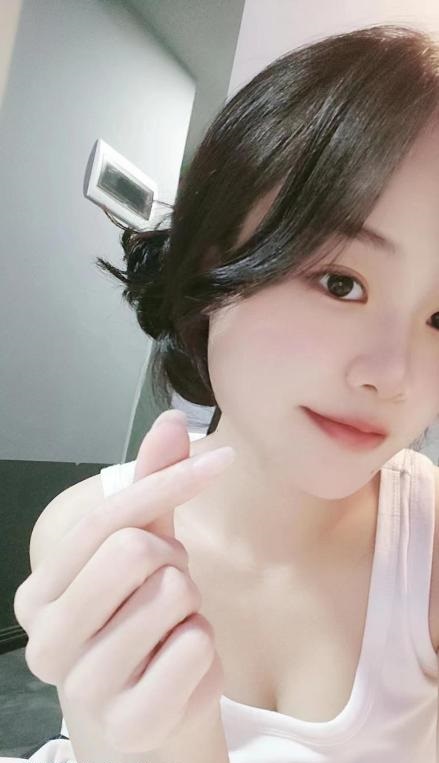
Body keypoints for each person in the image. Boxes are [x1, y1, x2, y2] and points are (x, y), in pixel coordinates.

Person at [14, 22, 439, 763]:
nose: (392, 375)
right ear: (216, 262)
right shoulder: (99, 535)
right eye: (340, 282)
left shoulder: (428, 544)